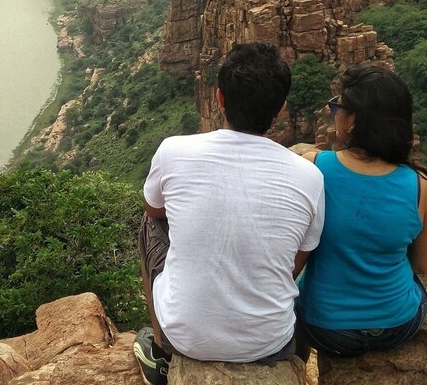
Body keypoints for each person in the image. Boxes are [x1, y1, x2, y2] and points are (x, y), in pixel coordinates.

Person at [133, 42, 325, 385]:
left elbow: (153, 209)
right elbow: (299, 260)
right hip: (271, 342)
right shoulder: (310, 176)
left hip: (186, 338)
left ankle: (162, 352)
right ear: (280, 109)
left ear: (219, 98)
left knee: (149, 223)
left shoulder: (172, 150)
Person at [296, 64, 427, 359]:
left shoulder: (314, 168)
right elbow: (423, 265)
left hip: (326, 330)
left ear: (353, 120)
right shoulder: (419, 185)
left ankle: (297, 364)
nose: (335, 113)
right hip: (398, 325)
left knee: (296, 288)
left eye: (338, 107)